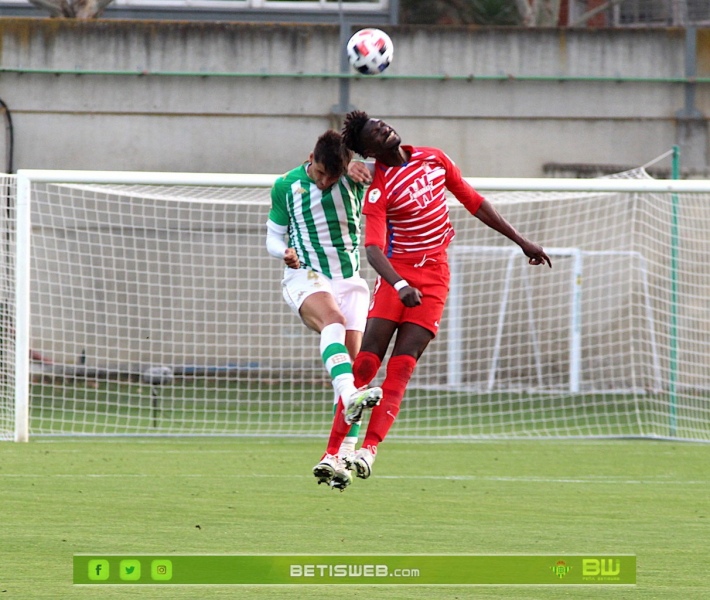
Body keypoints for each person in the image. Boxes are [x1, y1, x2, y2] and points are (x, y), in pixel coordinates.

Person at [327, 110, 552, 481]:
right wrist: (399, 284)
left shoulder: (434, 158)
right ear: (368, 150)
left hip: (434, 277)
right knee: (366, 365)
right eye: (374, 133)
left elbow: (475, 202)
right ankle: (334, 452)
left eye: (382, 124)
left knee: (402, 367)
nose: (384, 129)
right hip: (397, 274)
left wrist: (522, 241)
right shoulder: (380, 188)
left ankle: (368, 450)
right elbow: (372, 249)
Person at [265, 129, 382, 491]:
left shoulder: (356, 179)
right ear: (310, 159)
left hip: (349, 280)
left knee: (355, 367)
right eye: (319, 174)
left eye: (333, 176)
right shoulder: (286, 185)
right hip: (306, 276)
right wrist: (281, 252)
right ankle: (349, 398)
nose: (324, 181)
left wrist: (364, 165)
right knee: (334, 320)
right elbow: (273, 234)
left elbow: (393, 163)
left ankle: (339, 456)